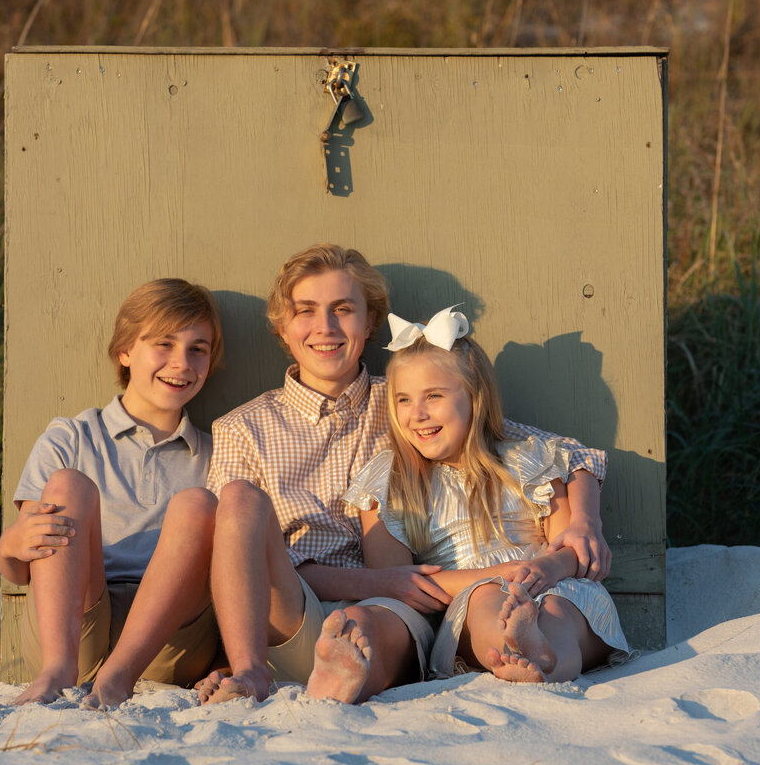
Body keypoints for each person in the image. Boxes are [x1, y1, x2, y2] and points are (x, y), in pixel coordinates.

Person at [198, 244, 612, 705]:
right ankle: (255, 669)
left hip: (396, 601)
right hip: (302, 602)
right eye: (306, 311)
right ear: (281, 327)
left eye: (343, 309)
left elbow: (562, 452)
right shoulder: (242, 428)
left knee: (374, 623)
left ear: (370, 320)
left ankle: (348, 674)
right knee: (238, 501)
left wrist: (584, 522)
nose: (326, 327)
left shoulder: (401, 391)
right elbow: (230, 557)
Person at [343, 306, 631, 684]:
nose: (418, 414)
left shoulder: (526, 459)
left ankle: (545, 656)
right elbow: (396, 583)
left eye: (434, 396)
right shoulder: (392, 481)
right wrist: (499, 576)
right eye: (404, 400)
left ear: (474, 397)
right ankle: (519, 648)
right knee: (487, 604)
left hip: (553, 579)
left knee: (559, 608)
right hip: (469, 588)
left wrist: (546, 568)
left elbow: (568, 543)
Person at [0, 278, 223, 707]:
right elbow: (24, 563)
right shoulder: (71, 437)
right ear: (124, 351)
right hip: (74, 627)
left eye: (198, 348)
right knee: (68, 485)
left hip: (168, 642)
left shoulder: (219, 454)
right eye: (164, 344)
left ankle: (119, 675)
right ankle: (57, 672)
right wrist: (7, 547)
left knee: (199, 505)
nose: (182, 362)